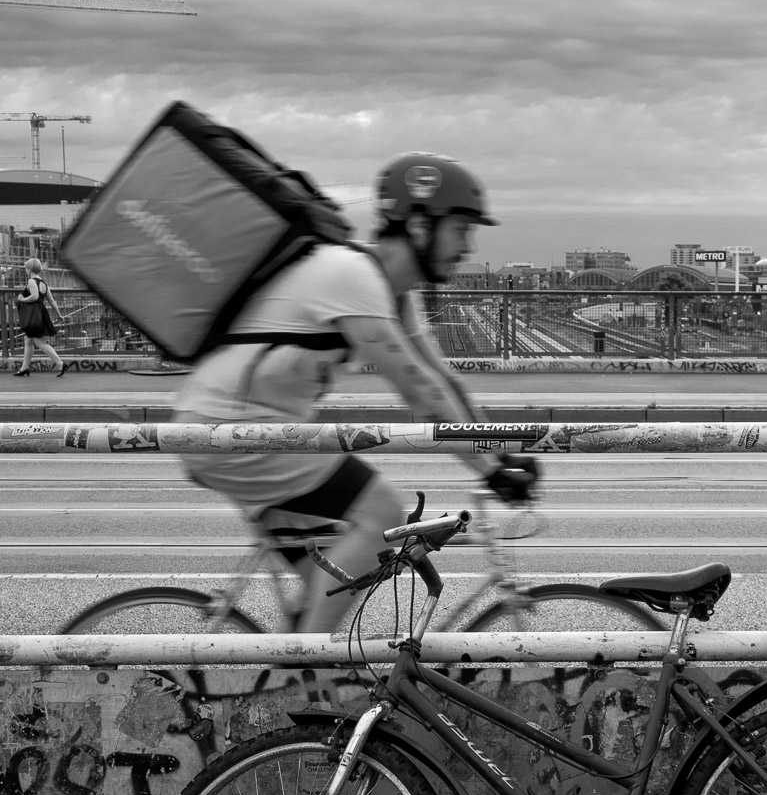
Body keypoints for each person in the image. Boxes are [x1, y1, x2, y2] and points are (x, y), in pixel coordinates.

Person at [171, 153, 538, 632]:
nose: (468, 245)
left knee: (338, 578)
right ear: (420, 225)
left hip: (254, 432)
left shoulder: (393, 293)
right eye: (461, 228)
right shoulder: (352, 275)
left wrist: (501, 451)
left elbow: (443, 380)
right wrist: (491, 469)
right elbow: (419, 391)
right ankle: (304, 665)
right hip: (231, 431)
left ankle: (308, 682)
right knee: (382, 513)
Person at [13, 258, 66, 377]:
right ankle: (24, 368)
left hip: (33, 316)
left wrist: (22, 299)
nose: (25, 270)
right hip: (41, 314)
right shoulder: (43, 283)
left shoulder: (31, 281)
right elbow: (51, 301)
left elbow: (34, 296)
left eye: (26, 268)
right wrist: (59, 315)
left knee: (40, 342)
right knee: (29, 341)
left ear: (29, 269)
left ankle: (60, 363)